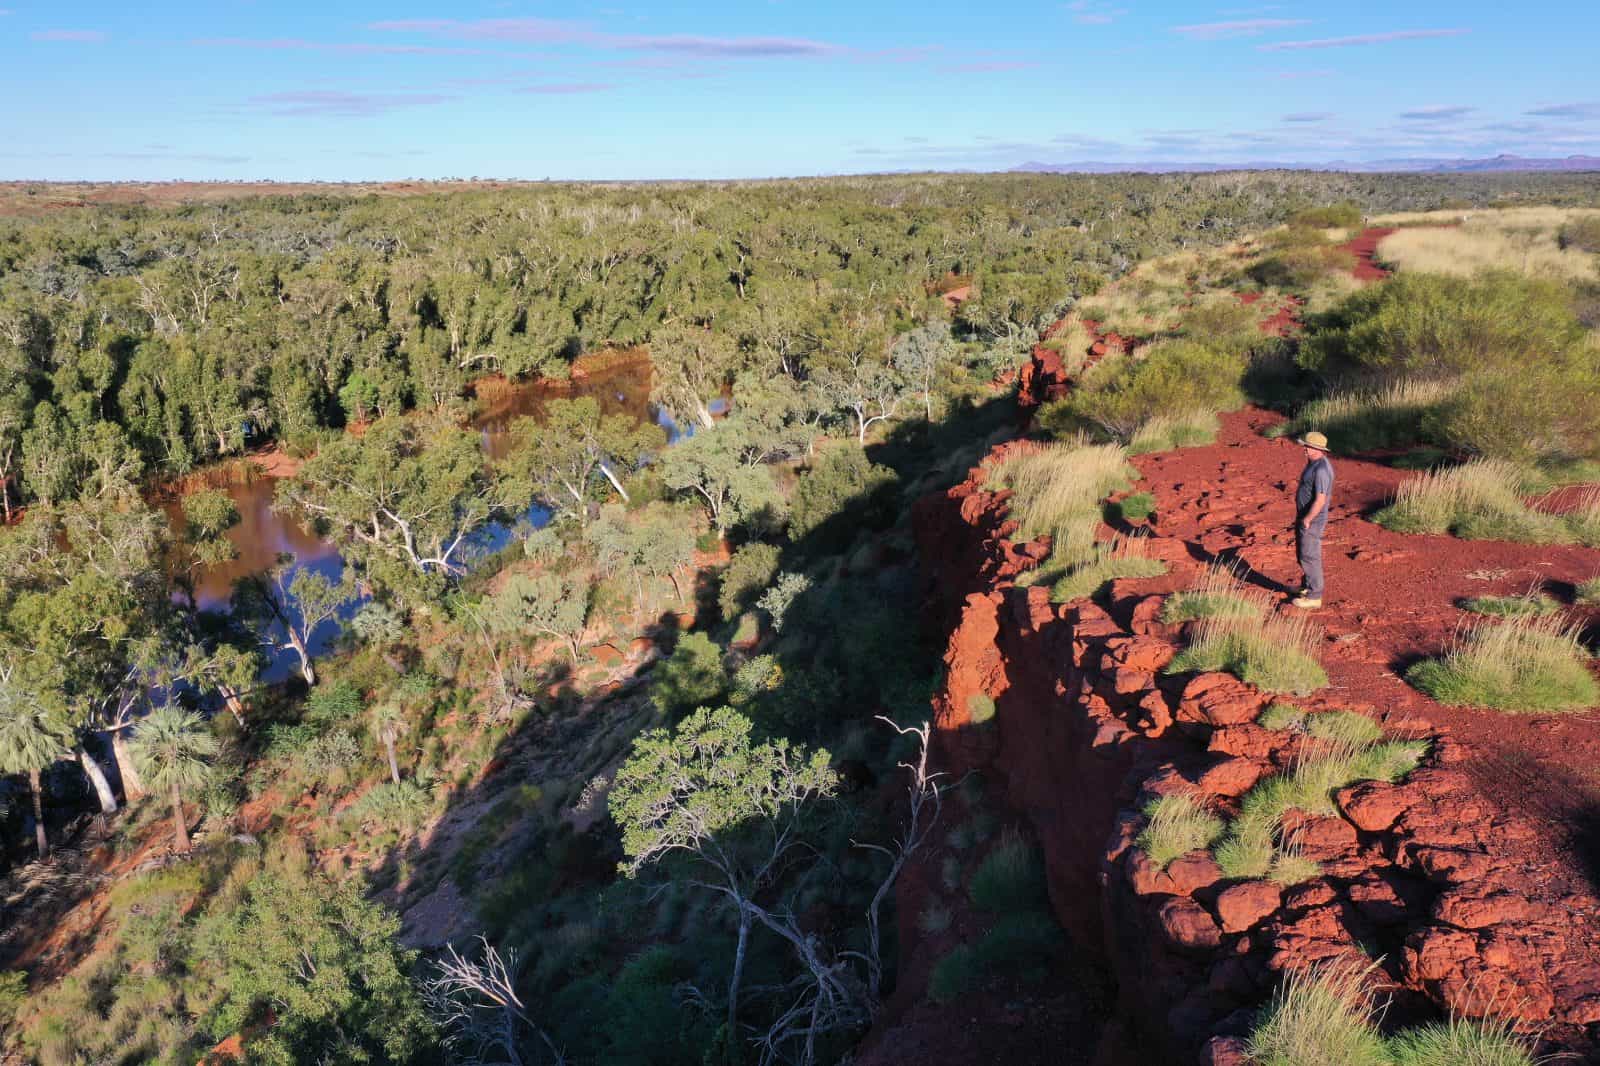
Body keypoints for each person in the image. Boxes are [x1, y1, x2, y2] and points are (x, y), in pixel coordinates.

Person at [1291, 431, 1334, 609]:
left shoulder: (1322, 469)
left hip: (1313, 519)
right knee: (1303, 553)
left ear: (1317, 449)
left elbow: (1321, 499)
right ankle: (1307, 587)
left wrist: (1308, 519)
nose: (1304, 449)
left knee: (1310, 555)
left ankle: (1315, 596)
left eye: (1307, 446)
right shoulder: (1313, 463)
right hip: (1305, 516)